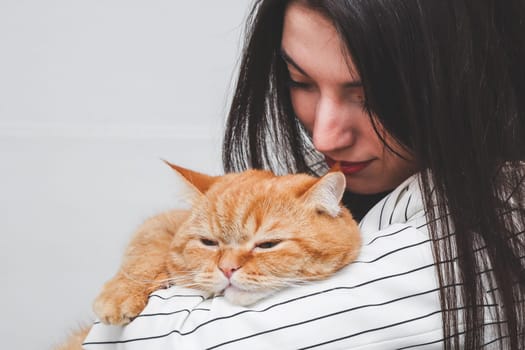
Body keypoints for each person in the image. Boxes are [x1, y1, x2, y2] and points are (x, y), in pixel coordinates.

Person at [83, 0, 524, 349]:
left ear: (467, 79)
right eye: (301, 81)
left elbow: (135, 342)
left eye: (370, 95)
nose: (326, 137)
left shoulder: (498, 220)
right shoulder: (326, 183)